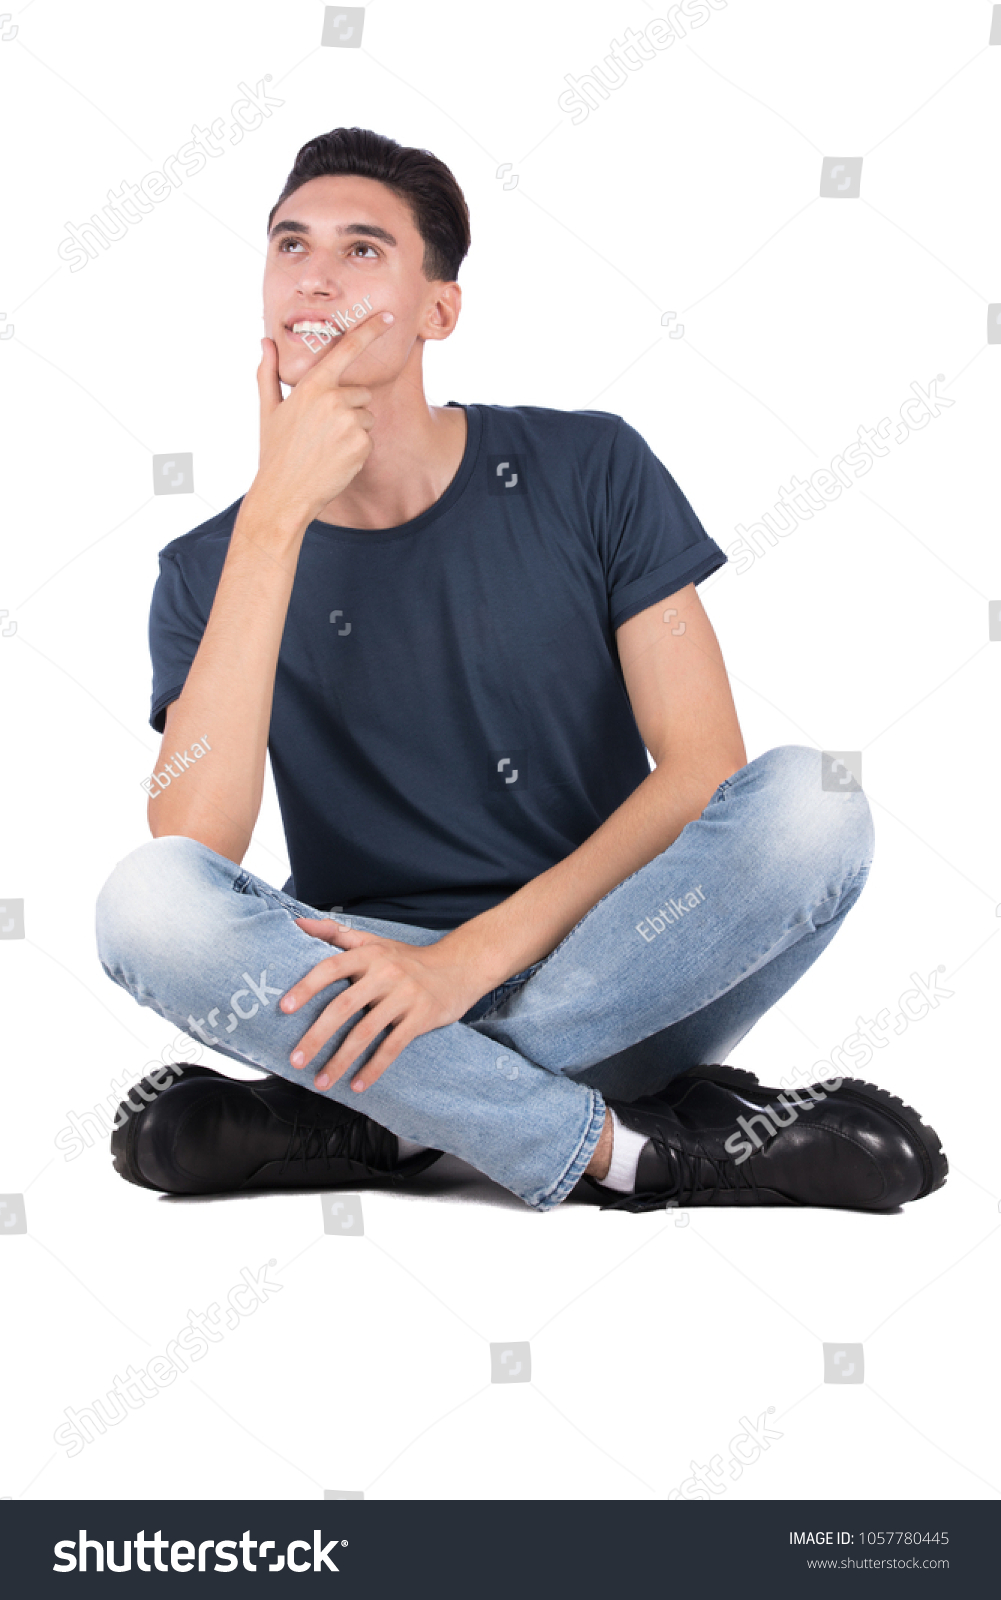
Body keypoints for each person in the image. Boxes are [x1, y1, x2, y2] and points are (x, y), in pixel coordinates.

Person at [95, 126, 946, 1214]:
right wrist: (272, 521)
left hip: (620, 959)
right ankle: (626, 1152)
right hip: (361, 973)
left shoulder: (590, 468)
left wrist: (457, 971)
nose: (314, 272)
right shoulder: (207, 564)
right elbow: (195, 842)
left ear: (438, 311)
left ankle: (377, 1112)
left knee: (811, 806)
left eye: (363, 250)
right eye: (288, 245)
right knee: (142, 901)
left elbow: (698, 772)